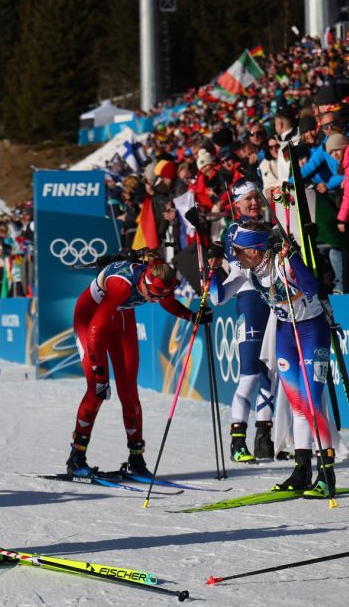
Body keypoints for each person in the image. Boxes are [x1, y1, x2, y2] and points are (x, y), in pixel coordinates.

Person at [210, 221, 336, 497]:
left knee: (312, 405)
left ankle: (327, 474)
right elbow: (218, 298)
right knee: (298, 407)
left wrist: (293, 257)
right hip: (285, 336)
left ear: (256, 250)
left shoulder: (282, 262)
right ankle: (302, 471)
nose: (235, 254)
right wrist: (212, 269)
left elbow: (311, 287)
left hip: (311, 332)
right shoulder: (246, 268)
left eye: (238, 250)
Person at [67, 257, 205, 477]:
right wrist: (100, 374)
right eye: (152, 295)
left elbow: (167, 302)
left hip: (121, 319)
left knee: (129, 392)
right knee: (97, 390)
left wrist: (192, 315)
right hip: (90, 320)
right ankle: (76, 456)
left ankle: (136, 458)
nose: (154, 300)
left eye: (160, 295)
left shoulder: (159, 279)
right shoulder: (121, 285)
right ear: (145, 283)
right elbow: (94, 332)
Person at [218, 180, 277, 462]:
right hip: (250, 299)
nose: (254, 203)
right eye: (248, 199)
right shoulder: (233, 231)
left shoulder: (272, 226)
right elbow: (239, 264)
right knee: (251, 373)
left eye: (257, 198)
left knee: (272, 372)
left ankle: (264, 436)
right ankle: (237, 440)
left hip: (274, 300)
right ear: (238, 204)